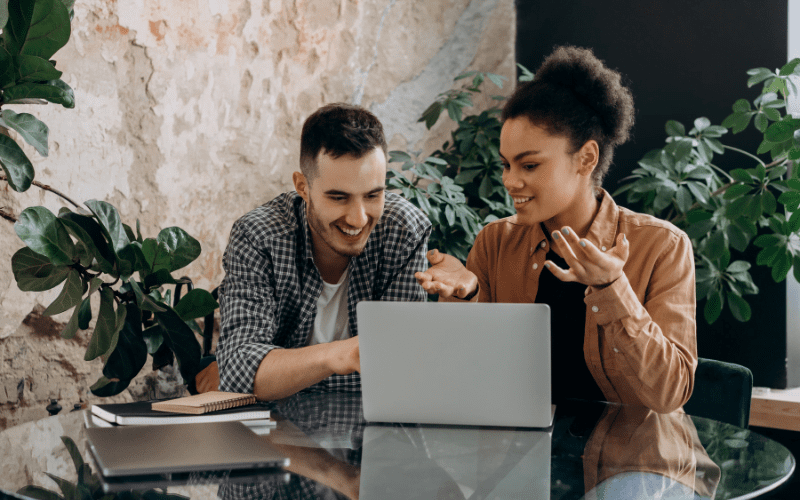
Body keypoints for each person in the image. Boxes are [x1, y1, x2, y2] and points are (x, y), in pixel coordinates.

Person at [415, 46, 697, 413]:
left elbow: (669, 395)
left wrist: (612, 288)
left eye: (529, 166)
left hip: (632, 461)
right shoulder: (495, 242)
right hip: (519, 455)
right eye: (505, 165)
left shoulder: (662, 246)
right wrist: (467, 295)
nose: (510, 181)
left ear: (586, 158)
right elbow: (465, 377)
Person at [216, 103, 432, 400]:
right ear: (303, 187)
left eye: (373, 195)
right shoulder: (259, 236)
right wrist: (341, 355)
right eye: (339, 197)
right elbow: (239, 372)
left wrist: (279, 371)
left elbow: (402, 371)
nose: (358, 218)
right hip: (276, 433)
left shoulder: (404, 230)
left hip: (376, 432)